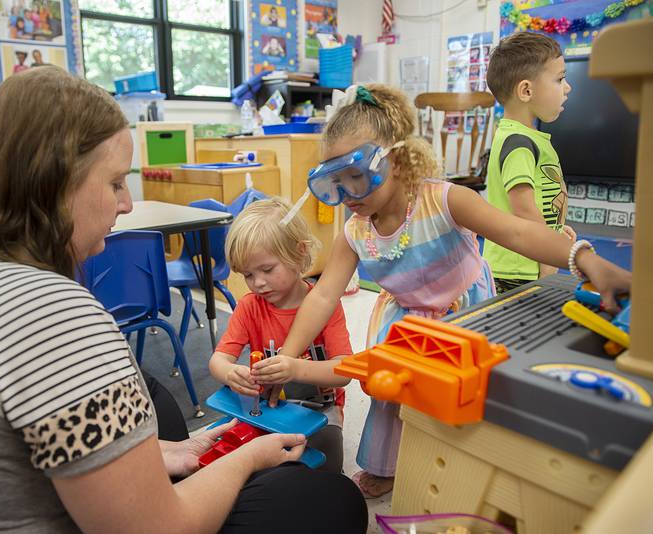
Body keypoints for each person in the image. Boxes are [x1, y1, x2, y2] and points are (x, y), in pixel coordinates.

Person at [0, 67, 368, 533]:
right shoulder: (47, 313)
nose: (127, 203)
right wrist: (249, 459)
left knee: (155, 400)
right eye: (115, 182)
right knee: (332, 501)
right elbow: (156, 528)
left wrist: (156, 453)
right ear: (52, 183)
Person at [269, 83, 631, 499]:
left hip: (465, 310)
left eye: (358, 175)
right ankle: (388, 466)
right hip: (405, 316)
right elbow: (321, 296)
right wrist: (287, 357)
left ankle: (467, 460)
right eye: (336, 181)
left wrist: (587, 259)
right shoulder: (353, 232)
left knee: (467, 392)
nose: (349, 193)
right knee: (391, 393)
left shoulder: (444, 199)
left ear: (398, 160)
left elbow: (517, 231)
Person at [209, 198, 353, 475]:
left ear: (299, 254)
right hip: (267, 407)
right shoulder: (250, 306)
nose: (258, 283)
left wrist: (296, 368)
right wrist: (230, 373)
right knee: (236, 456)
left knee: (326, 464)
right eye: (248, 274)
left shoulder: (327, 305)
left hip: (320, 411)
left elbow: (344, 370)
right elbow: (218, 360)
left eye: (267, 270)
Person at [483, 32, 577, 293]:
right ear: (526, 90)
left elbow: (536, 204)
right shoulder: (518, 143)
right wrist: (549, 251)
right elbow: (523, 209)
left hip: (526, 261)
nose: (567, 87)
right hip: (519, 268)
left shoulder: (524, 137)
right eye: (559, 79)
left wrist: (556, 228)